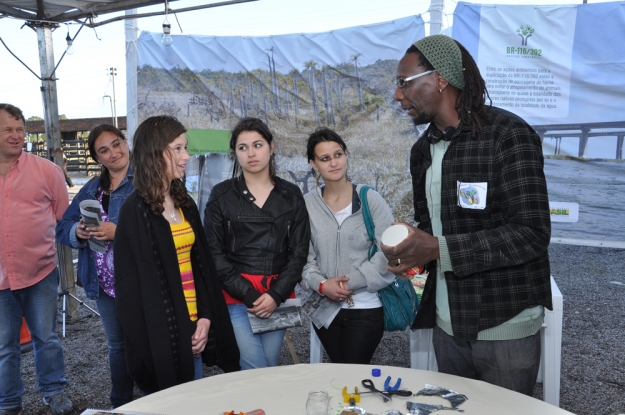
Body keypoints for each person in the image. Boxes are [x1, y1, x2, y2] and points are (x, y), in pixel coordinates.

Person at [382, 35, 553, 396]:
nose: (397, 95)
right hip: (448, 323)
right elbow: (433, 231)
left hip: (504, 325)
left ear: (440, 79)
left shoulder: (509, 136)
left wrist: (437, 249)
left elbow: (531, 232)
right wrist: (412, 255)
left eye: (403, 82)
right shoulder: (422, 151)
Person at [114, 115, 240, 394]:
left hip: (195, 327)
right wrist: (182, 328)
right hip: (166, 337)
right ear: (155, 153)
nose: (186, 156)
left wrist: (204, 319)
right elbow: (134, 292)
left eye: (186, 148)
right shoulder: (135, 212)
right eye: (178, 149)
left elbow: (201, 269)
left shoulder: (185, 202)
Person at [203, 117, 310, 370]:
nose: (251, 153)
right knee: (254, 368)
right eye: (243, 147)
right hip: (236, 296)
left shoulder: (291, 194)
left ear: (271, 147)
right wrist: (250, 295)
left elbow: (299, 252)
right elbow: (213, 254)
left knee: (269, 367)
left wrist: (275, 295)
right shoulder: (221, 195)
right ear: (235, 154)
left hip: (279, 295)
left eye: (258, 145)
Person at [0, 103, 73, 415]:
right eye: (7, 129)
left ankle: (54, 390)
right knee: (4, 346)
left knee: (47, 337)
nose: (16, 136)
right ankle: (8, 401)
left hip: (40, 272)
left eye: (20, 129)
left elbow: (63, 221)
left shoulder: (47, 171)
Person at [56, 124, 135, 407]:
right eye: (104, 150)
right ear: (97, 158)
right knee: (117, 345)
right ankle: (121, 403)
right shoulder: (91, 188)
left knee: (147, 341)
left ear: (126, 142)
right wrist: (77, 231)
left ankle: (155, 400)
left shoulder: (147, 179)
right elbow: (62, 224)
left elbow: (162, 228)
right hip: (102, 282)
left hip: (139, 278)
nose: (114, 153)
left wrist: (120, 231)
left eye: (116, 144)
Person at [301, 127, 395, 364]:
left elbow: (388, 252)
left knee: (352, 372)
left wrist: (346, 283)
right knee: (340, 373)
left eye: (338, 154)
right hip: (325, 310)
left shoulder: (370, 199)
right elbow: (302, 256)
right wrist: (321, 285)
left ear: (345, 155)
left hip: (366, 308)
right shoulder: (307, 204)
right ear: (314, 164)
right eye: (325, 158)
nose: (333, 163)